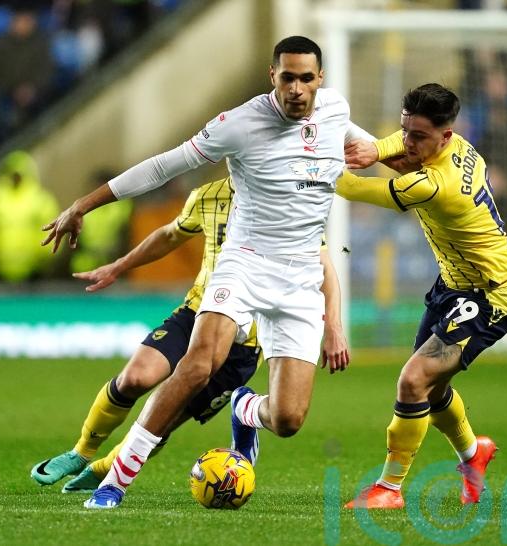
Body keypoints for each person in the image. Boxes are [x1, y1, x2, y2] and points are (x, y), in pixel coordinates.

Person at [41, 35, 358, 509]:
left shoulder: (334, 111)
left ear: (320, 81)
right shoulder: (240, 124)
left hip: (300, 281)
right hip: (245, 263)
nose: (296, 88)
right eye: (287, 77)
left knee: (289, 419)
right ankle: (116, 481)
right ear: (273, 76)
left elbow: (368, 144)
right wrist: (83, 204)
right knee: (195, 366)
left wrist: (400, 158)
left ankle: (245, 409)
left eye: (305, 79)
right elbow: (162, 167)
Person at [31, 176, 349, 493]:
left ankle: (106, 468)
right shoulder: (208, 196)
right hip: (199, 311)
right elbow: (169, 235)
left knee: (167, 416)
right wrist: (119, 266)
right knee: (135, 378)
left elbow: (323, 266)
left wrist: (333, 326)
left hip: (245, 341)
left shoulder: (291, 201)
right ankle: (81, 452)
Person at [340, 83, 507, 509]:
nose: (407, 142)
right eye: (405, 130)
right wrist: (377, 149)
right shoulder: (456, 145)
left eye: (418, 136)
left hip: (490, 294)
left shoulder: (438, 184)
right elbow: (399, 150)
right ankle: (473, 453)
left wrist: (307, 163)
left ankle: (388, 489)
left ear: (444, 135)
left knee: (413, 379)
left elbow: (351, 189)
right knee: (429, 389)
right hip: (452, 288)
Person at [0, 150, 59, 282]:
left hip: (34, 271)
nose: (15, 178)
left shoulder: (41, 200)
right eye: (12, 174)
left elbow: (54, 230)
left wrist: (45, 259)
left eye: (19, 174)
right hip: (0, 270)